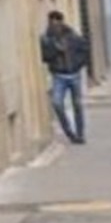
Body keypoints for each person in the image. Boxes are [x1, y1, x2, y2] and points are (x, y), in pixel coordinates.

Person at [39, 10, 89, 145]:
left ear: (61, 22)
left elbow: (84, 50)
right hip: (58, 76)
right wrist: (55, 49)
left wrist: (78, 65)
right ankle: (69, 132)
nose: (54, 25)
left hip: (74, 75)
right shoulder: (46, 39)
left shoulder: (72, 36)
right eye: (51, 22)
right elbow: (45, 57)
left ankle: (80, 134)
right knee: (57, 103)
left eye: (57, 21)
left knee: (77, 104)